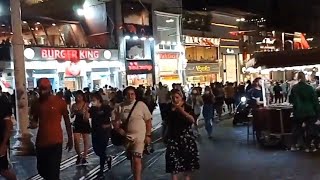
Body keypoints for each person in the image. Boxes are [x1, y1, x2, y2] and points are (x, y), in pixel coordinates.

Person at [30, 78, 73, 180]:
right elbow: (34, 120)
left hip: (56, 141)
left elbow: (67, 120)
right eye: (40, 89)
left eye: (44, 89)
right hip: (41, 142)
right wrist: (32, 123)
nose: (42, 91)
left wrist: (70, 139)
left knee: (53, 173)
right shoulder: (36, 103)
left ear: (50, 88)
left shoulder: (59, 102)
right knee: (41, 170)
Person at [112, 86, 152, 180]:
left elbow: (148, 121)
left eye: (132, 94)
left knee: (137, 158)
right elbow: (114, 119)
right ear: (124, 96)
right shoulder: (120, 107)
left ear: (135, 95)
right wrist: (118, 129)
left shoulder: (141, 105)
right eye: (128, 94)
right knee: (132, 159)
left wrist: (148, 135)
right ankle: (135, 176)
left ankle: (137, 178)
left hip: (139, 136)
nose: (130, 96)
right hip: (127, 137)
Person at [165, 89, 200, 180]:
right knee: (173, 164)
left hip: (186, 138)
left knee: (187, 163)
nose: (175, 100)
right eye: (173, 98)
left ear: (181, 97)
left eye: (177, 97)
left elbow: (192, 120)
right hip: (173, 138)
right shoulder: (168, 108)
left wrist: (181, 110)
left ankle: (187, 178)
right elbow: (166, 121)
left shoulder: (187, 107)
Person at [289, 72, 319, 152]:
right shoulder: (310, 88)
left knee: (296, 128)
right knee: (310, 129)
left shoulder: (294, 88)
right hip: (310, 111)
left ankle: (294, 145)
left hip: (298, 111)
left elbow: (291, 100)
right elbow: (315, 101)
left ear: (297, 77)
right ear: (304, 78)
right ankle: (308, 146)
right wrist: (317, 113)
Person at [88, 92, 113, 177]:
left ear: (98, 100)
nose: (92, 101)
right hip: (95, 131)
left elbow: (111, 119)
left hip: (104, 132)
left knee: (102, 149)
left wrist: (107, 125)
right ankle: (107, 158)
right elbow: (87, 117)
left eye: (93, 100)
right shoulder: (92, 109)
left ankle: (101, 169)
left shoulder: (106, 107)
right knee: (96, 150)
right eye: (91, 100)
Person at [0, 86, 17, 180]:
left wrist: (4, 144)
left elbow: (8, 124)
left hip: (1, 141)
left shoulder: (3, 102)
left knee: (3, 170)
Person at [70, 90, 91, 165]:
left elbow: (88, 115)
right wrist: (74, 112)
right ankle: (79, 155)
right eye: (77, 96)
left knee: (86, 141)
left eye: (80, 96)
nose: (78, 98)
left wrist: (86, 112)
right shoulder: (74, 105)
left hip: (85, 123)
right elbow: (71, 115)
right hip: (77, 123)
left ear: (82, 97)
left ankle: (84, 157)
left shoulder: (86, 104)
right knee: (76, 141)